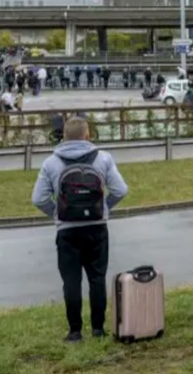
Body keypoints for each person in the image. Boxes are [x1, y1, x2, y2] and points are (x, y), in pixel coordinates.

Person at [31, 117, 129, 342]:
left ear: (64, 137)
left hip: (67, 230)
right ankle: (98, 329)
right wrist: (104, 208)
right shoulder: (103, 158)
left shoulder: (51, 163)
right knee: (97, 278)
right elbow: (120, 190)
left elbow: (38, 198)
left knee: (71, 281)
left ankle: (75, 331)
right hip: (97, 228)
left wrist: (57, 213)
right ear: (87, 135)